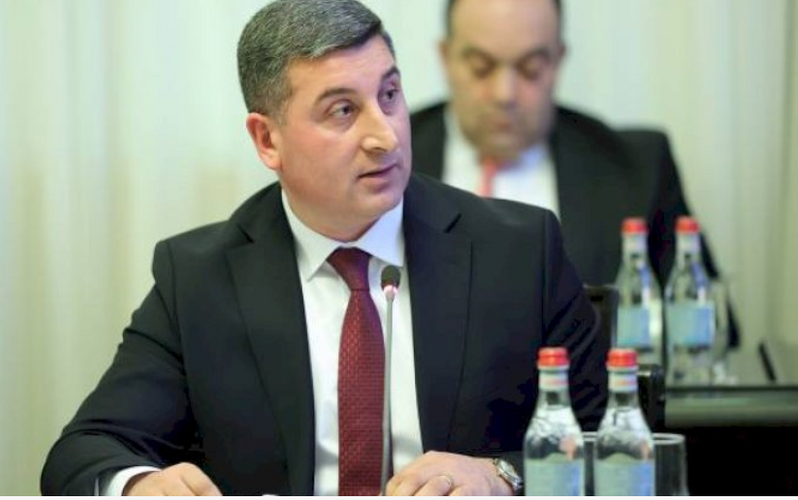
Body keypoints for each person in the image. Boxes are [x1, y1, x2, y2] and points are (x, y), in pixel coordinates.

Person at [41, 0, 606, 495]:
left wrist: (502, 475)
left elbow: (610, 441)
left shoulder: (519, 252)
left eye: (389, 94)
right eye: (343, 110)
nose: (384, 134)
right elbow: (85, 451)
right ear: (267, 139)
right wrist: (139, 484)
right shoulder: (199, 279)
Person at [412, 0, 738, 346]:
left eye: (531, 69)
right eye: (481, 68)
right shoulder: (389, 162)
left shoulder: (636, 170)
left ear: (558, 60)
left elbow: (711, 332)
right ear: (446, 58)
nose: (505, 94)